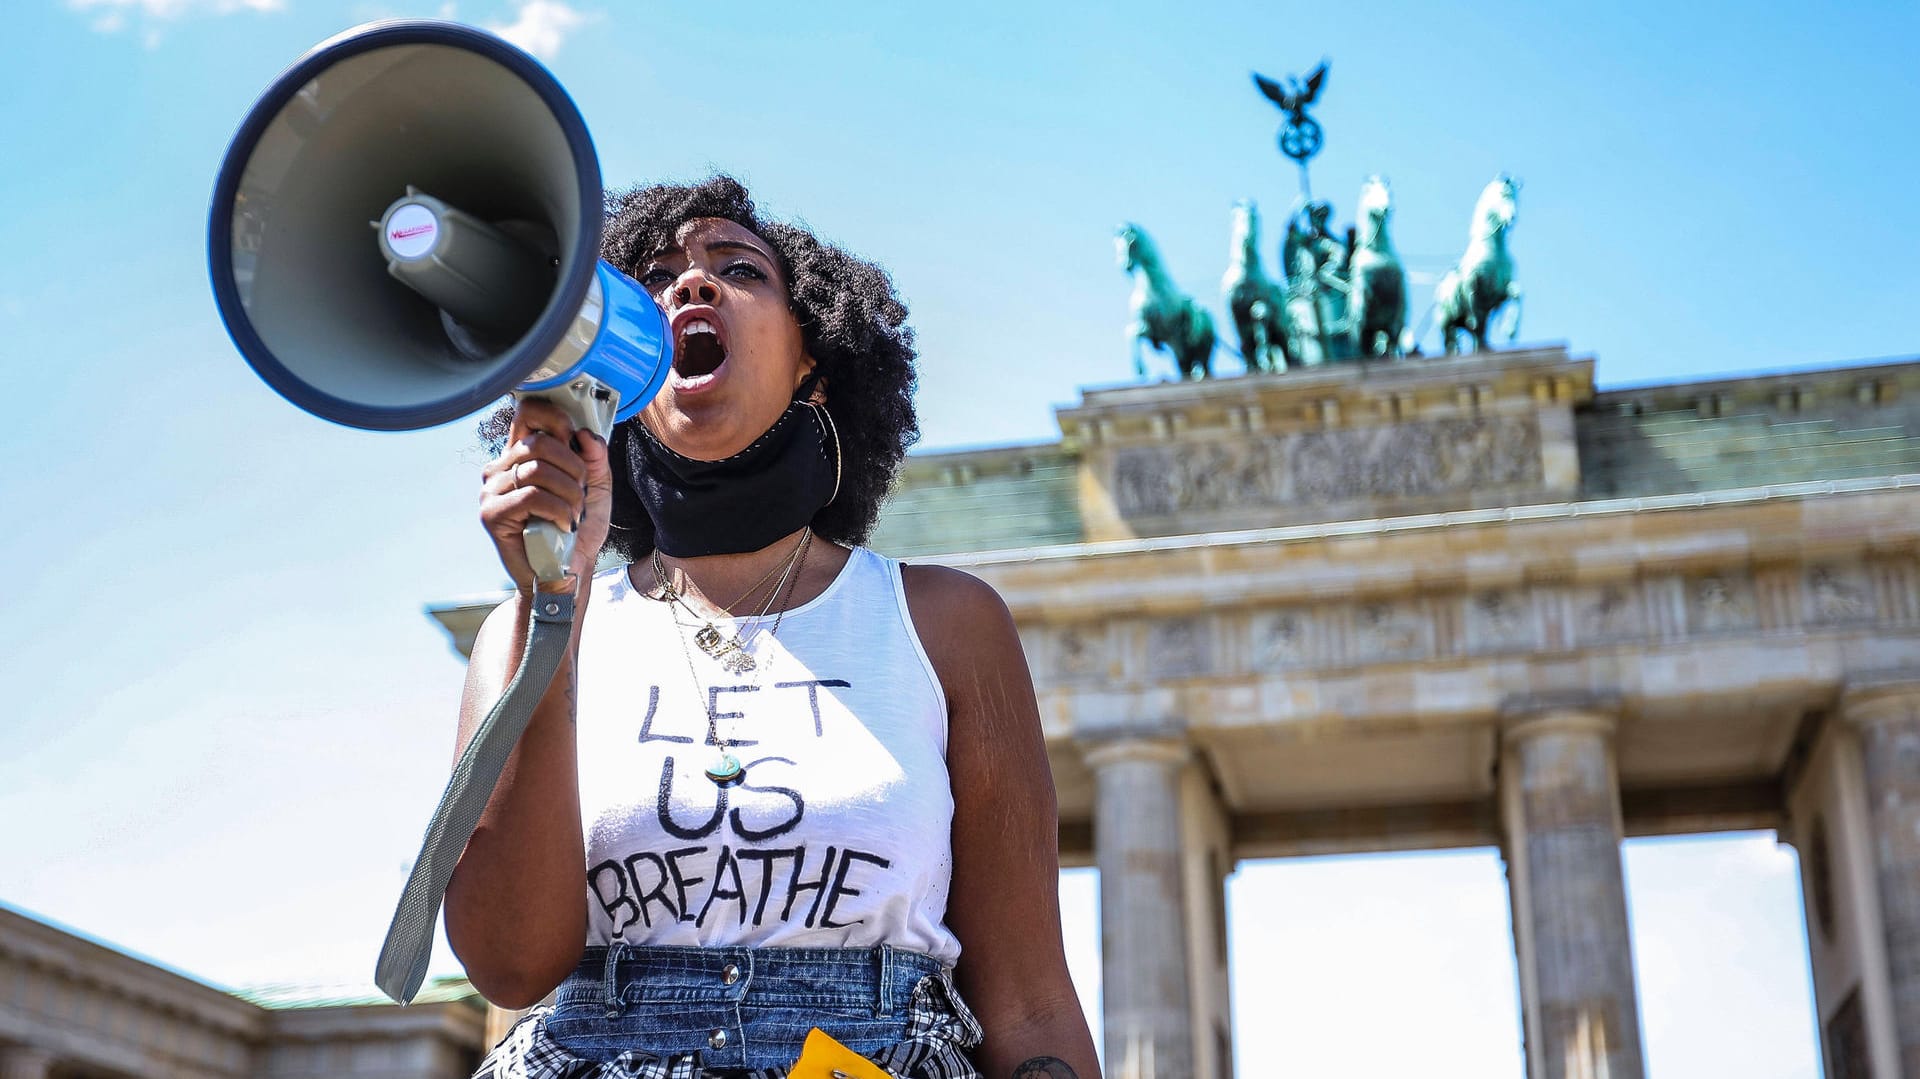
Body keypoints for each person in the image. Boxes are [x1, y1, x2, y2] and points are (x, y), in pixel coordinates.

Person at [449, 176, 1099, 1079]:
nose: (690, 285)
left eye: (737, 269)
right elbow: (511, 964)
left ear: (814, 362)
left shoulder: (946, 625)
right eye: (655, 278)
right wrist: (550, 609)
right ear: (612, 369)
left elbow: (1028, 1000)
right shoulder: (529, 629)